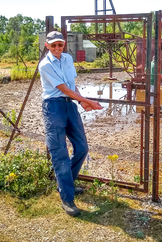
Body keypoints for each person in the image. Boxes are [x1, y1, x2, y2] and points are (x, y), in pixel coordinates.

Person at [39, 31, 103, 217]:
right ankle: (67, 198)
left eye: (60, 45)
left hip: (70, 105)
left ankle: (66, 184)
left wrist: (82, 101)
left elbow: (71, 84)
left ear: (64, 44)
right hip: (53, 107)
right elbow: (63, 88)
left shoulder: (67, 58)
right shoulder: (45, 65)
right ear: (47, 46)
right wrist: (89, 101)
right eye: (53, 45)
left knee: (82, 147)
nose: (57, 48)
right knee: (60, 154)